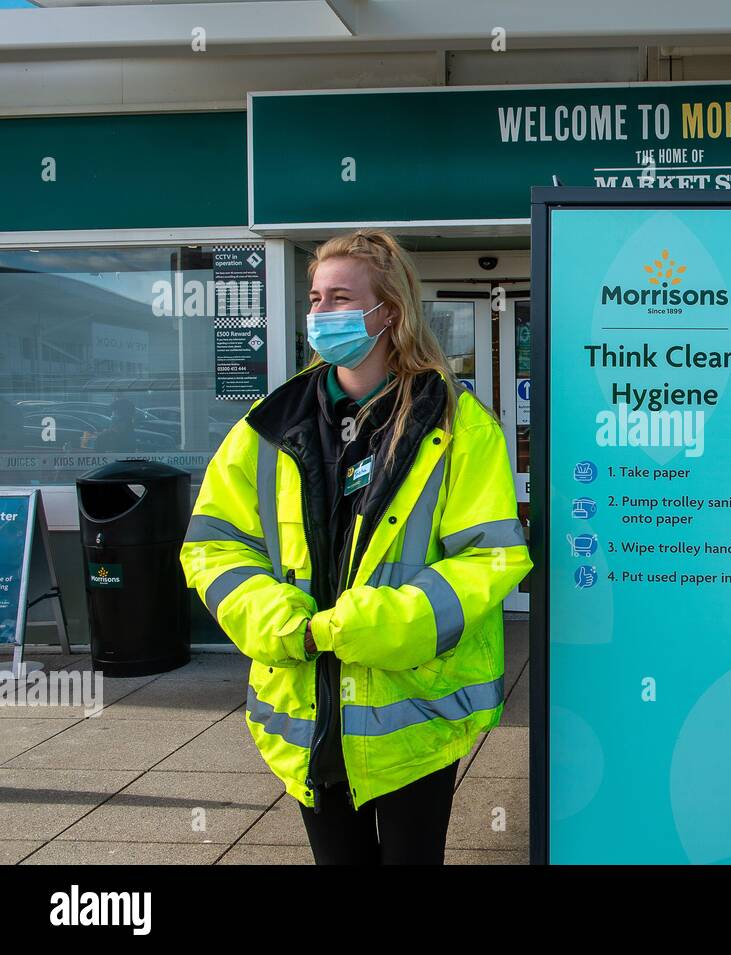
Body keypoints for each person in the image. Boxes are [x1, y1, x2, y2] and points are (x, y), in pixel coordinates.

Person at [180, 229, 531, 864]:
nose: (320, 313)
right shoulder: (269, 424)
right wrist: (277, 620)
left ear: (388, 311)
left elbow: (492, 556)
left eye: (339, 298)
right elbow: (213, 542)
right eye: (315, 298)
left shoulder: (455, 424)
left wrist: (376, 624)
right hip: (306, 704)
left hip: (410, 713)